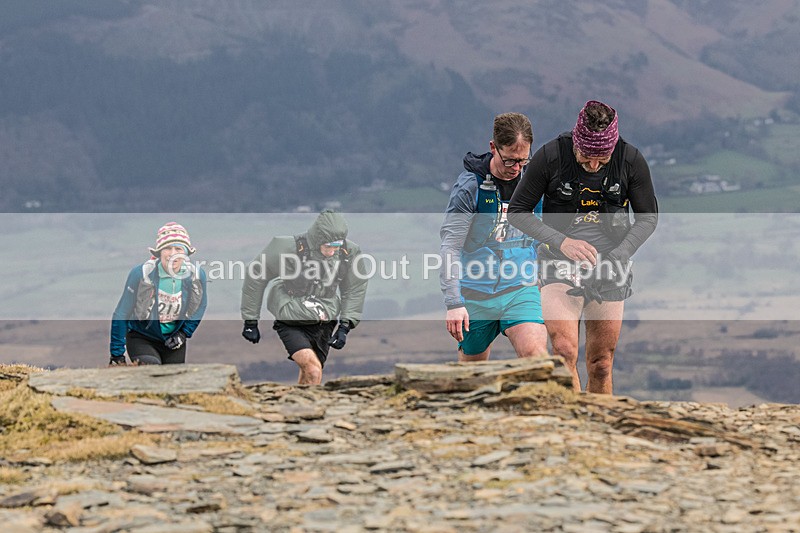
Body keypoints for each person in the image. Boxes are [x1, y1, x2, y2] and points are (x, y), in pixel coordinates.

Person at [508, 100, 658, 394]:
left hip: (610, 268)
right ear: (576, 142)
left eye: (602, 160)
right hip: (558, 263)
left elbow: (648, 218)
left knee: (601, 363)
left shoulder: (630, 160)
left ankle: (600, 420)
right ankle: (572, 418)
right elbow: (518, 211)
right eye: (586, 158)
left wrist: (619, 254)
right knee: (564, 351)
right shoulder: (551, 156)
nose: (593, 166)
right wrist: (562, 242)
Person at [439, 112, 548, 362]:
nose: (516, 168)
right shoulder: (469, 188)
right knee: (473, 376)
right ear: (493, 147)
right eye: (509, 160)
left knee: (536, 357)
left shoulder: (534, 182)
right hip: (475, 295)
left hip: (520, 289)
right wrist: (454, 303)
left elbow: (543, 235)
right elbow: (451, 247)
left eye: (523, 160)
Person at [240, 210, 368, 385]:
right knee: (313, 370)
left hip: (324, 321)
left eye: (336, 247)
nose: (332, 252)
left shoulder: (349, 253)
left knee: (312, 373)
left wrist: (345, 326)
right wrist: (250, 321)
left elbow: (355, 289)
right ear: (317, 240)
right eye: (328, 247)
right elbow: (256, 276)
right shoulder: (286, 248)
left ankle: (299, 402)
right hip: (291, 318)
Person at [109, 222, 208, 366]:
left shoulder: (196, 276)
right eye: (167, 248)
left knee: (174, 378)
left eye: (178, 249)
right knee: (153, 368)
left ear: (186, 253)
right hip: (141, 337)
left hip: (173, 340)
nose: (173, 254)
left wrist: (183, 333)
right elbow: (122, 312)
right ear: (159, 252)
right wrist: (117, 353)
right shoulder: (141, 274)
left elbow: (200, 305)